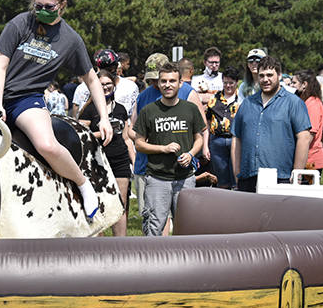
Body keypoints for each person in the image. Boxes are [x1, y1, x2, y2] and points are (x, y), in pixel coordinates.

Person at [0, 0, 112, 221]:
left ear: (62, 5)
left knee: (47, 145)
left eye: (48, 7)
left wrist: (104, 117)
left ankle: (83, 185)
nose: (41, 11)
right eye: (37, 6)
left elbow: (92, 79)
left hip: (27, 99)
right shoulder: (19, 23)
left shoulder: (71, 40)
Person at [129, 52, 207, 228]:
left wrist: (192, 153)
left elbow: (200, 133)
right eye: (159, 80)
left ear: (179, 81)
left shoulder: (188, 97)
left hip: (183, 173)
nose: (162, 84)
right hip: (153, 170)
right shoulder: (145, 100)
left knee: (185, 223)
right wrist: (157, 145)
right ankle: (158, 254)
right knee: (155, 222)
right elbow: (133, 132)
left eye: (170, 80)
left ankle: (181, 255)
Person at [231, 56, 311, 192]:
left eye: (270, 75)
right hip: (248, 177)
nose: (265, 79)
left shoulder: (293, 103)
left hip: (281, 178)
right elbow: (236, 138)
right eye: (261, 75)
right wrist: (237, 172)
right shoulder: (247, 103)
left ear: (279, 75)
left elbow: (304, 138)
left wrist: (297, 175)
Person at [79, 70, 133, 236]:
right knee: (99, 203)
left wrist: (134, 160)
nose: (105, 87)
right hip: (97, 161)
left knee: (120, 203)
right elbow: (80, 136)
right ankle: (100, 245)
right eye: (101, 84)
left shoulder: (121, 109)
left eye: (108, 84)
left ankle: (120, 246)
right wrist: (102, 132)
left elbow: (126, 137)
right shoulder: (89, 110)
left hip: (120, 160)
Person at [204, 66, 240, 189]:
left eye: (231, 83)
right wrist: (205, 146)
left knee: (237, 179)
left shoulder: (242, 99)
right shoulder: (214, 99)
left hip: (236, 141)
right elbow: (208, 123)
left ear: (237, 82)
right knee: (222, 181)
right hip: (217, 142)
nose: (228, 86)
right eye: (225, 82)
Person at [292, 70, 323, 174]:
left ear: (304, 84)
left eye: (294, 83)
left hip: (310, 161)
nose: (291, 86)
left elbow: (309, 137)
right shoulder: (303, 100)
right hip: (303, 158)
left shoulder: (313, 104)